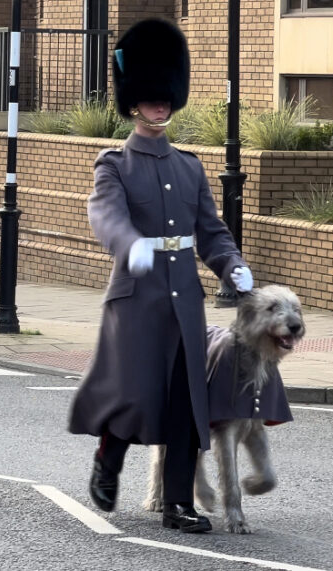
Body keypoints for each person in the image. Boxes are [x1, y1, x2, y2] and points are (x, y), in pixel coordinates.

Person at [67, 19, 254, 533]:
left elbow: (211, 231)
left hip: (183, 300)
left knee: (183, 403)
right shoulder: (114, 165)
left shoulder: (190, 168)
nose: (160, 105)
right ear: (133, 102)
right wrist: (129, 247)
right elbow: (106, 217)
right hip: (135, 299)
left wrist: (232, 265)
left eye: (165, 97)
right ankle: (109, 457)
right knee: (131, 390)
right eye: (151, 98)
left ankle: (177, 503)